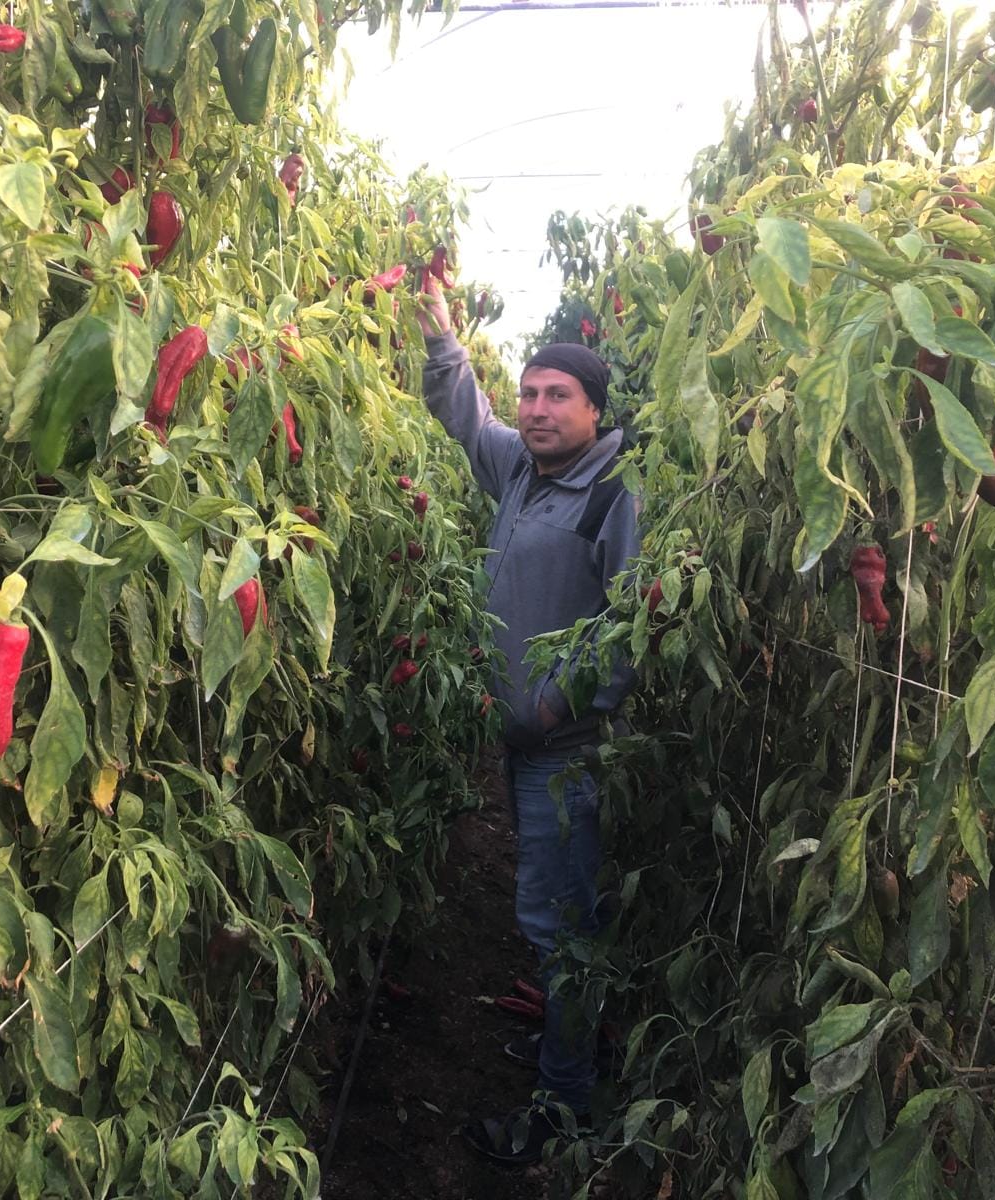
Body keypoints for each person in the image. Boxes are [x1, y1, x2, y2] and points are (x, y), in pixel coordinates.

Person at [414, 275, 640, 1165]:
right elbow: (465, 417)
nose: (538, 410)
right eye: (531, 395)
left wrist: (549, 707)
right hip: (523, 745)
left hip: (567, 752)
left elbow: (629, 628)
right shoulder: (520, 468)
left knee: (561, 929)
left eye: (559, 397)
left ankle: (563, 1109)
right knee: (552, 913)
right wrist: (443, 343)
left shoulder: (611, 496)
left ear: (594, 411)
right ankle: (564, 1054)